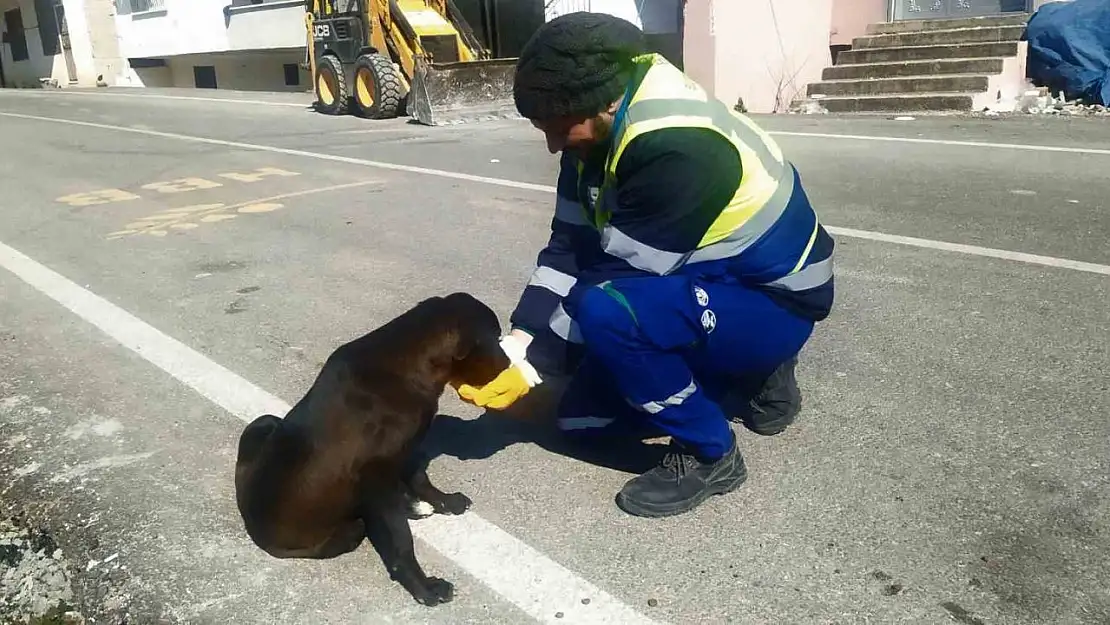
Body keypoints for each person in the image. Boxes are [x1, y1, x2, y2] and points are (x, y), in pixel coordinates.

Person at [456, 12, 835, 519]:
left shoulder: (679, 147)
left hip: (775, 298)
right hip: (705, 279)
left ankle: (710, 450)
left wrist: (534, 367)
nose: (551, 144)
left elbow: (619, 276)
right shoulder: (592, 134)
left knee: (609, 312)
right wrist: (521, 338)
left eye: (556, 126)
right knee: (582, 423)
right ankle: (743, 369)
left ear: (599, 103)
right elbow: (569, 246)